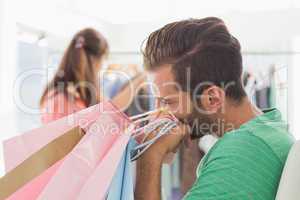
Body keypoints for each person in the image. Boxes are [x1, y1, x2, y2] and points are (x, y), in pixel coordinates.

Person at [135, 17, 295, 200]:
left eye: (167, 102)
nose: (159, 113)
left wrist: (150, 158)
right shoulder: (269, 127)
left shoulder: (240, 154)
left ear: (212, 98)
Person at [40, 28, 144, 123]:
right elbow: (110, 111)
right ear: (95, 61)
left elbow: (110, 108)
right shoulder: (64, 98)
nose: (102, 67)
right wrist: (142, 76)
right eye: (103, 60)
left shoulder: (67, 93)